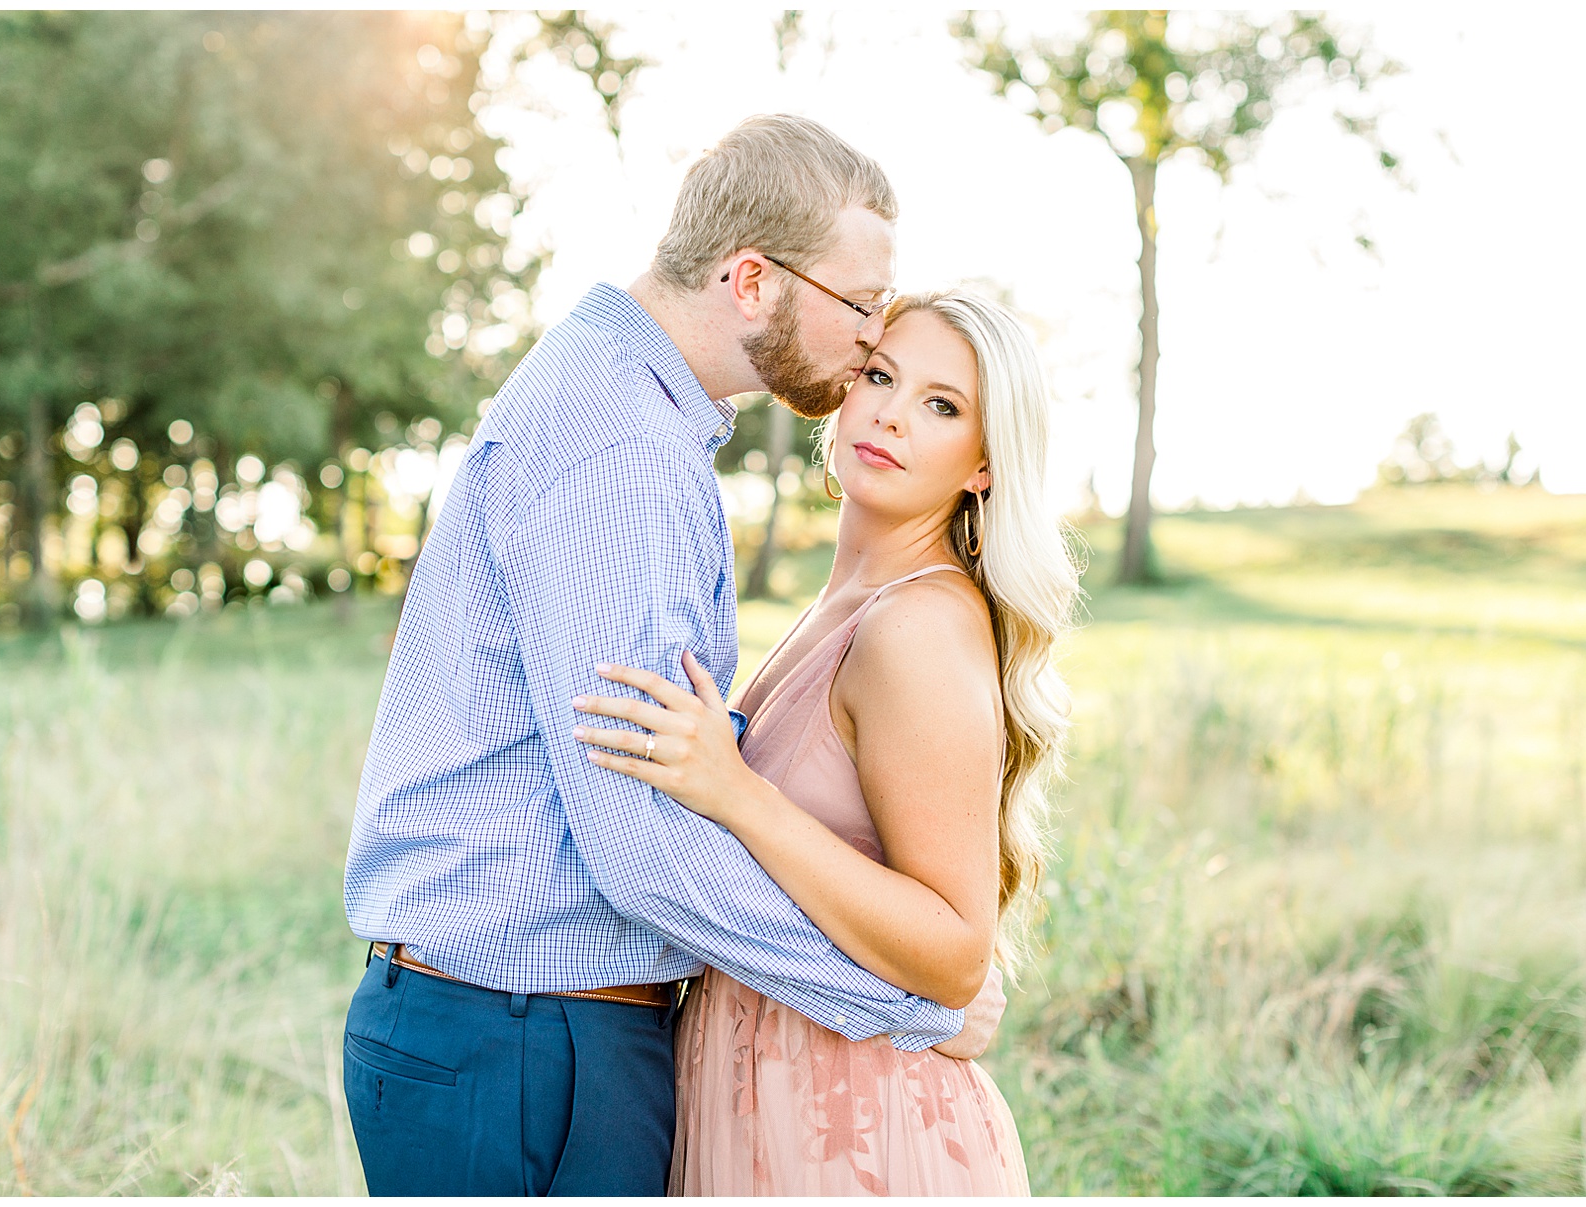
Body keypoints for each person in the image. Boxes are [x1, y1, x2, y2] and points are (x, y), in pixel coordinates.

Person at [339, 115, 1005, 1197]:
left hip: (516, 1033)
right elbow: (640, 841)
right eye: (861, 303)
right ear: (752, 280)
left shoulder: (625, 410)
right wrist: (906, 1002)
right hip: (526, 1046)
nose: (872, 338)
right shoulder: (625, 455)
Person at [574, 289, 1079, 1194]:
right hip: (765, 1087)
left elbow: (956, 952)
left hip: (855, 1124)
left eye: (942, 405)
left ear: (985, 466)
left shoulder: (915, 627)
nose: (889, 412)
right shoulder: (841, 605)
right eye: (880, 375)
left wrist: (736, 791)